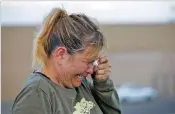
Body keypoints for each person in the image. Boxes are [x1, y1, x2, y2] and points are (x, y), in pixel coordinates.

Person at [12, 8, 121, 114]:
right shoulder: (36, 94)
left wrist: (102, 84)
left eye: (93, 63)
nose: (91, 70)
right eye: (88, 62)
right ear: (61, 54)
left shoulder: (81, 83)